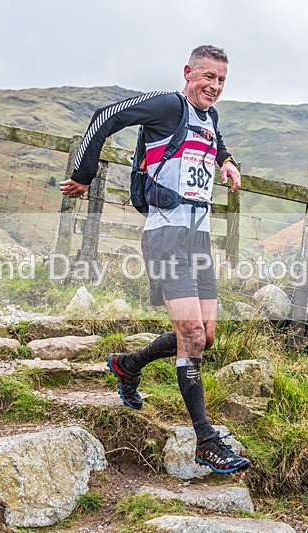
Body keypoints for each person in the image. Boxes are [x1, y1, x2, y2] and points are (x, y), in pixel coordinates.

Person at [60, 45, 249, 474]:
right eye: (207, 77)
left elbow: (213, 140)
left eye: (221, 80)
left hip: (197, 240)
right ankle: (206, 440)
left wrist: (228, 162)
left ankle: (128, 365)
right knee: (193, 336)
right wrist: (84, 175)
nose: (214, 87)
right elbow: (105, 116)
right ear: (188, 72)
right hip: (165, 237)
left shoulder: (210, 116)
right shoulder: (167, 106)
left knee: (208, 336)